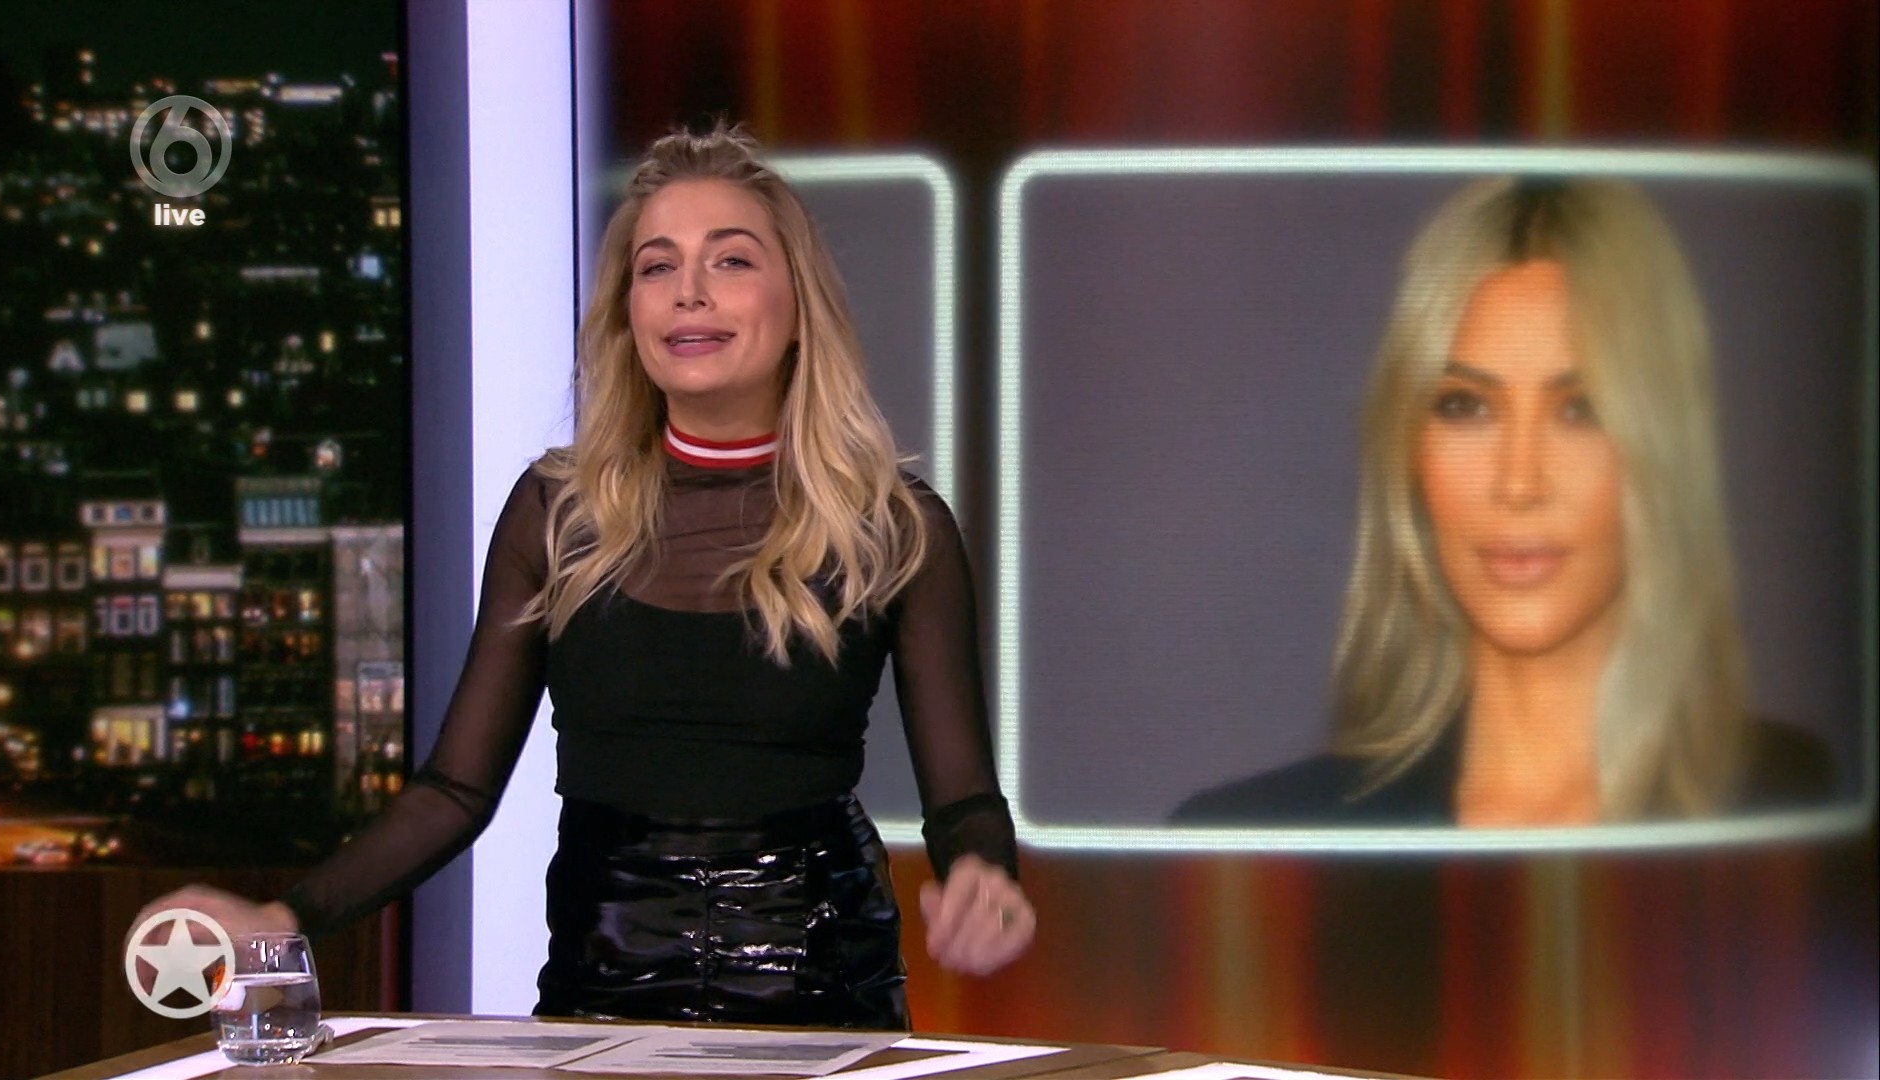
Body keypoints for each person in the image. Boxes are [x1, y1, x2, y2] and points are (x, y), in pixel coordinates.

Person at [136, 125, 1035, 1027]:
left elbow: (963, 801)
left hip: (820, 988)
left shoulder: (894, 525)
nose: (688, 291)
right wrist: (287, 919)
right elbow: (455, 792)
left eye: (730, 261)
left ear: (800, 305)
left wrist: (983, 878)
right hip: (603, 987)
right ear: (627, 313)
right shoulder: (556, 513)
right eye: (657, 266)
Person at [1175, 177, 1833, 827]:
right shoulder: (1258, 840)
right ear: (1408, 450)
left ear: (1664, 448)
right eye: (1466, 407)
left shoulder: (1793, 799)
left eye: (1582, 408)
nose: (1518, 483)